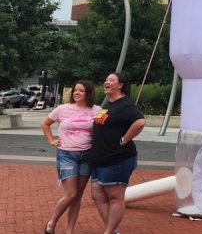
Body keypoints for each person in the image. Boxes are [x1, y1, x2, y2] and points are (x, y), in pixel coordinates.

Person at [88, 72, 146, 234]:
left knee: (115, 197)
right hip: (99, 160)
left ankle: (109, 232)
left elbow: (140, 122)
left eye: (111, 80)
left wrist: (124, 140)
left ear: (120, 85)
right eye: (106, 79)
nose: (106, 82)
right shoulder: (108, 105)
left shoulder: (125, 105)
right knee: (97, 196)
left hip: (117, 159)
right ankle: (112, 231)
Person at [41, 80, 101, 234]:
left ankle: (69, 230)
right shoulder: (62, 109)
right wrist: (51, 140)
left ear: (88, 93)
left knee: (78, 196)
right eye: (75, 90)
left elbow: (104, 130)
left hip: (87, 155)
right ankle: (51, 222)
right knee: (71, 194)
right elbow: (45, 123)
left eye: (81, 90)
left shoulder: (98, 110)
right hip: (67, 154)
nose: (77, 93)